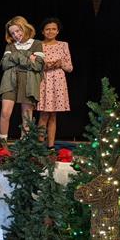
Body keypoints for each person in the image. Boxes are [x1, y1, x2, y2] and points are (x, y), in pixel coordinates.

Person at [0, 16, 44, 147]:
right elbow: (5, 64)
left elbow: (38, 66)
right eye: (12, 33)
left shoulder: (37, 44)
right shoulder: (10, 45)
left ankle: (25, 145)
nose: (16, 35)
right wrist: (27, 56)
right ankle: (3, 144)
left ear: (24, 28)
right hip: (9, 81)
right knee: (5, 112)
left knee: (27, 115)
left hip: (29, 82)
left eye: (18, 31)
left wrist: (15, 58)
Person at [37, 17, 73, 150]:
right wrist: (44, 66)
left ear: (57, 31)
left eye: (53, 29)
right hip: (44, 81)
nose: (50, 31)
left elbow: (70, 67)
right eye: (47, 29)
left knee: (53, 115)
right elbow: (34, 64)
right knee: (44, 114)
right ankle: (40, 145)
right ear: (42, 31)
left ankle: (51, 146)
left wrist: (61, 63)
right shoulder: (38, 45)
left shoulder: (63, 45)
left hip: (58, 82)